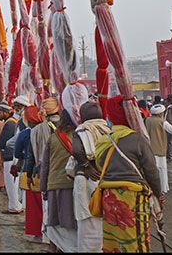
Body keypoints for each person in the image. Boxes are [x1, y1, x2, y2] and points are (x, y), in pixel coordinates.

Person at [96, 96, 164, 252]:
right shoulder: (137, 139)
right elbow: (151, 172)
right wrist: (158, 195)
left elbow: (100, 166)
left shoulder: (104, 140)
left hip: (108, 198)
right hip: (133, 198)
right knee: (136, 241)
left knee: (113, 239)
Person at [70, 101, 109, 252]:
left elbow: (77, 151)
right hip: (104, 179)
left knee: (86, 222)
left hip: (86, 179)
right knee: (102, 219)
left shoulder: (81, 130)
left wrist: (86, 165)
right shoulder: (108, 130)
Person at [40, 109, 77, 253]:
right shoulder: (79, 137)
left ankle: (53, 246)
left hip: (54, 184)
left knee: (54, 219)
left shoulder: (53, 138)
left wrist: (43, 187)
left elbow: (45, 166)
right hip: (72, 183)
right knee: (70, 220)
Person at [29, 97, 60, 245]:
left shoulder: (36, 130)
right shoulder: (66, 127)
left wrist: (29, 174)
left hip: (44, 172)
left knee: (47, 206)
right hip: (63, 173)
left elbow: (30, 156)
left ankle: (47, 237)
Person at [18, 106, 45, 243]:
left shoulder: (30, 132)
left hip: (35, 173)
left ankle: (39, 234)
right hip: (50, 173)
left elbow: (29, 156)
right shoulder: (52, 128)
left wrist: (28, 175)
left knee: (36, 206)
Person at [145, 103, 172, 194]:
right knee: (162, 170)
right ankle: (162, 189)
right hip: (159, 149)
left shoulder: (147, 120)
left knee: (152, 170)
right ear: (160, 113)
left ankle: (152, 188)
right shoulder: (162, 122)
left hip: (149, 149)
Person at [0, 104, 23, 214]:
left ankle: (14, 206)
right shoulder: (13, 122)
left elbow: (1, 142)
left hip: (9, 156)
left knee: (11, 183)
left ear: (6, 113)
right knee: (13, 183)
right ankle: (16, 205)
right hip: (12, 156)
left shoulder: (10, 124)